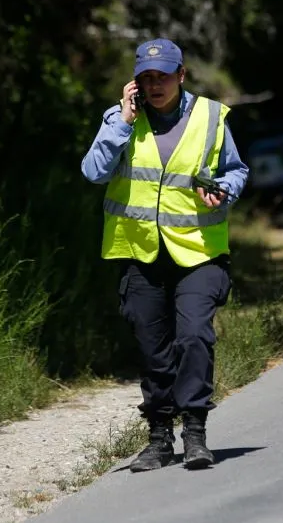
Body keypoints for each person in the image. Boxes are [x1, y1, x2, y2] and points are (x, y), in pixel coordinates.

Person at [80, 38, 250, 471]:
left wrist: (225, 191)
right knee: (153, 348)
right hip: (139, 252)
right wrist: (121, 121)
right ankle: (159, 438)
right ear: (135, 84)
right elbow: (94, 172)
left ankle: (195, 432)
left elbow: (236, 170)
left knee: (193, 336)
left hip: (199, 253)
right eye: (146, 78)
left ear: (181, 75)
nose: (155, 86)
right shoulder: (120, 120)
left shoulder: (211, 117)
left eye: (163, 76)